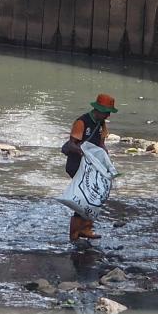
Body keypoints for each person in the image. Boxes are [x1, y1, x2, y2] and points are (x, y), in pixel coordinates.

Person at [62, 93, 117, 242]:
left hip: (91, 167)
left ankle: (86, 228)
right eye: (106, 112)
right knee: (83, 196)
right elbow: (72, 144)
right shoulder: (82, 122)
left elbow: (101, 144)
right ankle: (74, 233)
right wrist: (84, 153)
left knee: (96, 194)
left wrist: (106, 160)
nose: (107, 115)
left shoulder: (101, 123)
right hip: (76, 164)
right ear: (97, 110)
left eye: (109, 113)